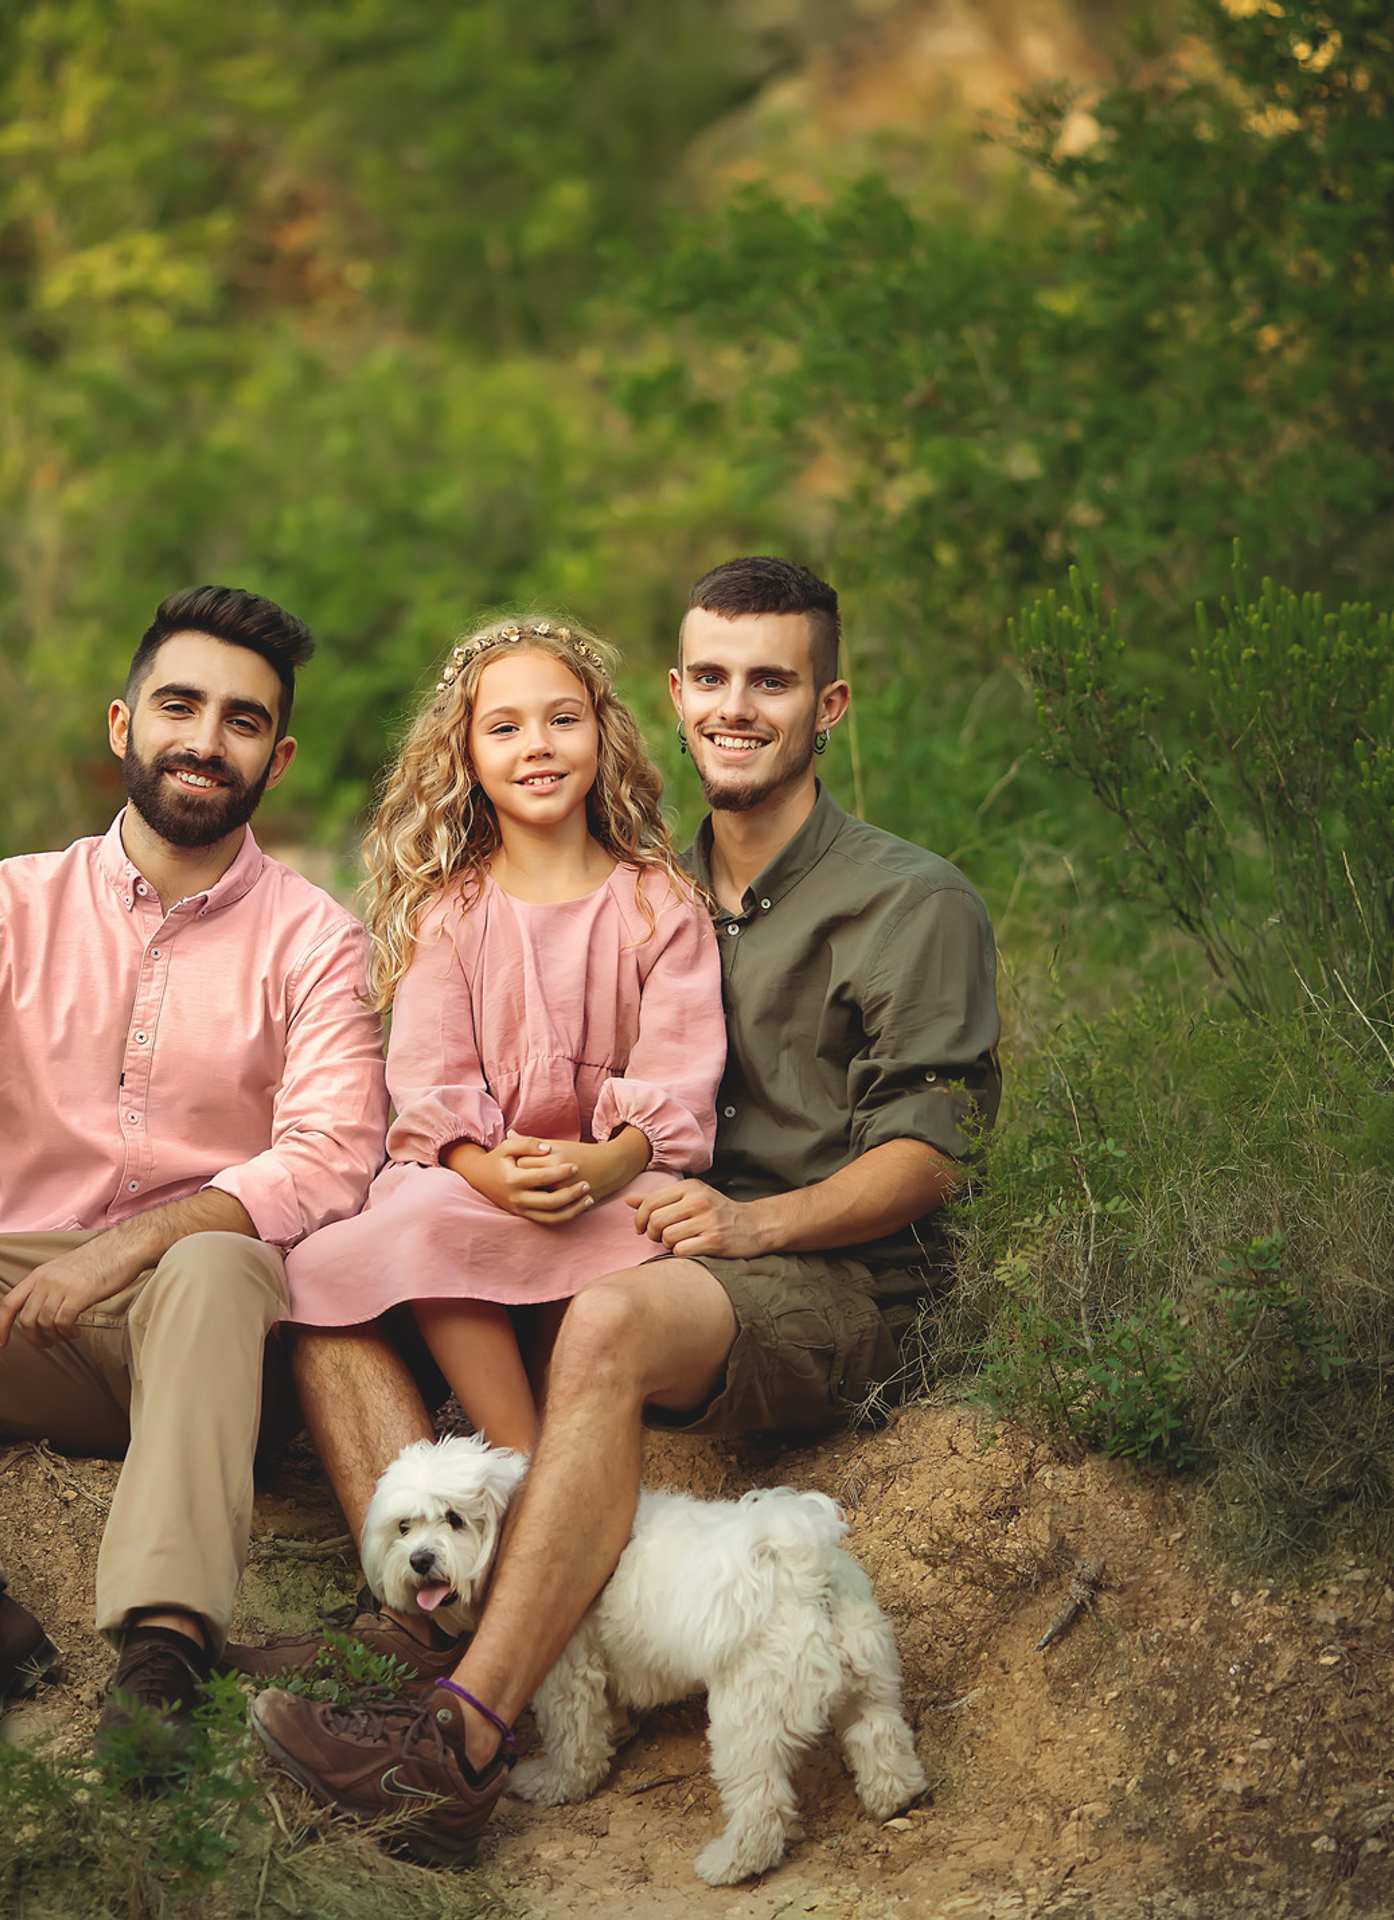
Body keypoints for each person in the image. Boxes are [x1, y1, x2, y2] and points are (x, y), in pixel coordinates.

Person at [253, 556, 1002, 1861]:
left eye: (770, 680)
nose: (734, 704)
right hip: (658, 1234)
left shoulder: (904, 900)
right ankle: (420, 1621)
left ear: (830, 704)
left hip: (812, 1271)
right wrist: (495, 1169)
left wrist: (747, 1222)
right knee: (331, 1290)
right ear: (667, 696)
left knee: (600, 1320)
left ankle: (462, 1743)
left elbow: (931, 1158)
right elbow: (438, 1083)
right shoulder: (659, 874)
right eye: (711, 677)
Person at [0, 584, 387, 1774]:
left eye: (242, 721)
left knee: (209, 1257)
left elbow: (329, 1157)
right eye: (180, 706)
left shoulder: (318, 939)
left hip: (205, 1326)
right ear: (123, 725)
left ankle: (166, 1646)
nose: (206, 740)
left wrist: (133, 1245)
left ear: (279, 756)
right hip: (27, 1319)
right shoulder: (2, 906)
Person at [279, 617, 724, 1454]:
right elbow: (431, 1086)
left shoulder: (660, 907)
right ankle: (516, 1453)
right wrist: (486, 1169)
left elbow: (680, 1076)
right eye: (505, 727)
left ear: (603, 733)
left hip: (616, 1182)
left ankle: (573, 1440)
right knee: (410, 1217)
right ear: (468, 758)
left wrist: (609, 1160)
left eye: (563, 719)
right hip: (482, 1184)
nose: (538, 747)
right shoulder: (453, 916)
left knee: (651, 1232)